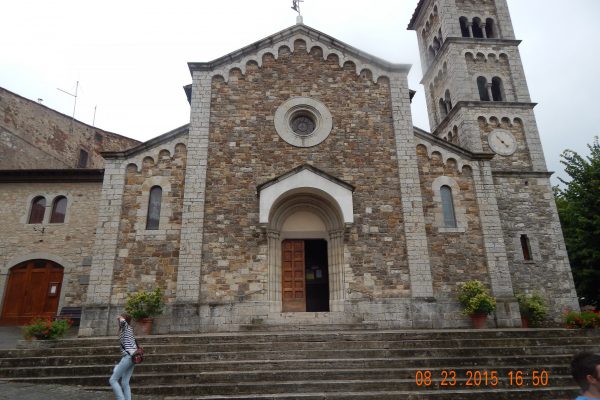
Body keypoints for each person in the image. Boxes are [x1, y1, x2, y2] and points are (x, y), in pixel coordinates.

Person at [109, 313, 138, 400]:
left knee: (113, 380)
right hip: (133, 357)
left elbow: (123, 322)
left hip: (128, 357)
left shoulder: (126, 327)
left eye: (121, 319)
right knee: (125, 382)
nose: (118, 320)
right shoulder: (127, 329)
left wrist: (120, 317)